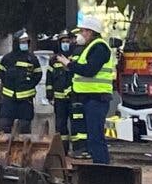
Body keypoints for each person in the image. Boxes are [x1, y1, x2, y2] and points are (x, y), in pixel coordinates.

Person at [58, 15, 116, 164]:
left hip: (97, 99)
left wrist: (69, 64)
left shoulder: (100, 47)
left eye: (83, 31)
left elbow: (89, 70)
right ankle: (98, 167)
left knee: (96, 137)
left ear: (90, 32)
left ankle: (102, 168)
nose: (80, 34)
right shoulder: (88, 48)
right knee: (91, 136)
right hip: (87, 98)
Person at [0, 31, 41, 134]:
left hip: (26, 98)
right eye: (22, 42)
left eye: (26, 42)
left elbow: (38, 75)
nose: (24, 44)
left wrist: (29, 85)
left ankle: (23, 146)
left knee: (25, 124)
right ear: (16, 43)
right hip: (9, 96)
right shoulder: (7, 58)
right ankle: (6, 144)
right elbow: (1, 73)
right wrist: (7, 84)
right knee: (5, 123)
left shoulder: (32, 59)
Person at [47, 31, 75, 147]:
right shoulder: (54, 60)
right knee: (60, 125)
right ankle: (63, 149)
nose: (65, 44)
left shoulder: (75, 58)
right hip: (59, 99)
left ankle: (78, 148)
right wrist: (49, 94)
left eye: (67, 41)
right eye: (63, 42)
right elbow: (49, 79)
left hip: (74, 97)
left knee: (76, 124)